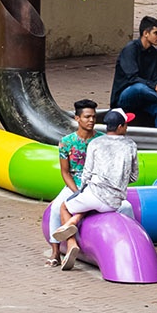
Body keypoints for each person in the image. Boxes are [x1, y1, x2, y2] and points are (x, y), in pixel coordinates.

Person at [52, 109, 139, 270]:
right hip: (114, 201)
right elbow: (134, 177)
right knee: (89, 204)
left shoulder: (96, 143)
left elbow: (87, 174)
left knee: (64, 206)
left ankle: (71, 243)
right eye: (126, 124)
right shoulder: (131, 145)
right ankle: (74, 221)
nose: (127, 127)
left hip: (94, 195)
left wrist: (85, 189)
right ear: (120, 126)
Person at [46, 99, 101, 266]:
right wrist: (76, 191)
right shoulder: (66, 142)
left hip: (96, 184)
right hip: (74, 183)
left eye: (93, 117)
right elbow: (65, 171)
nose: (91, 120)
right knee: (56, 208)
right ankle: (56, 252)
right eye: (87, 117)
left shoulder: (102, 140)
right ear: (77, 118)